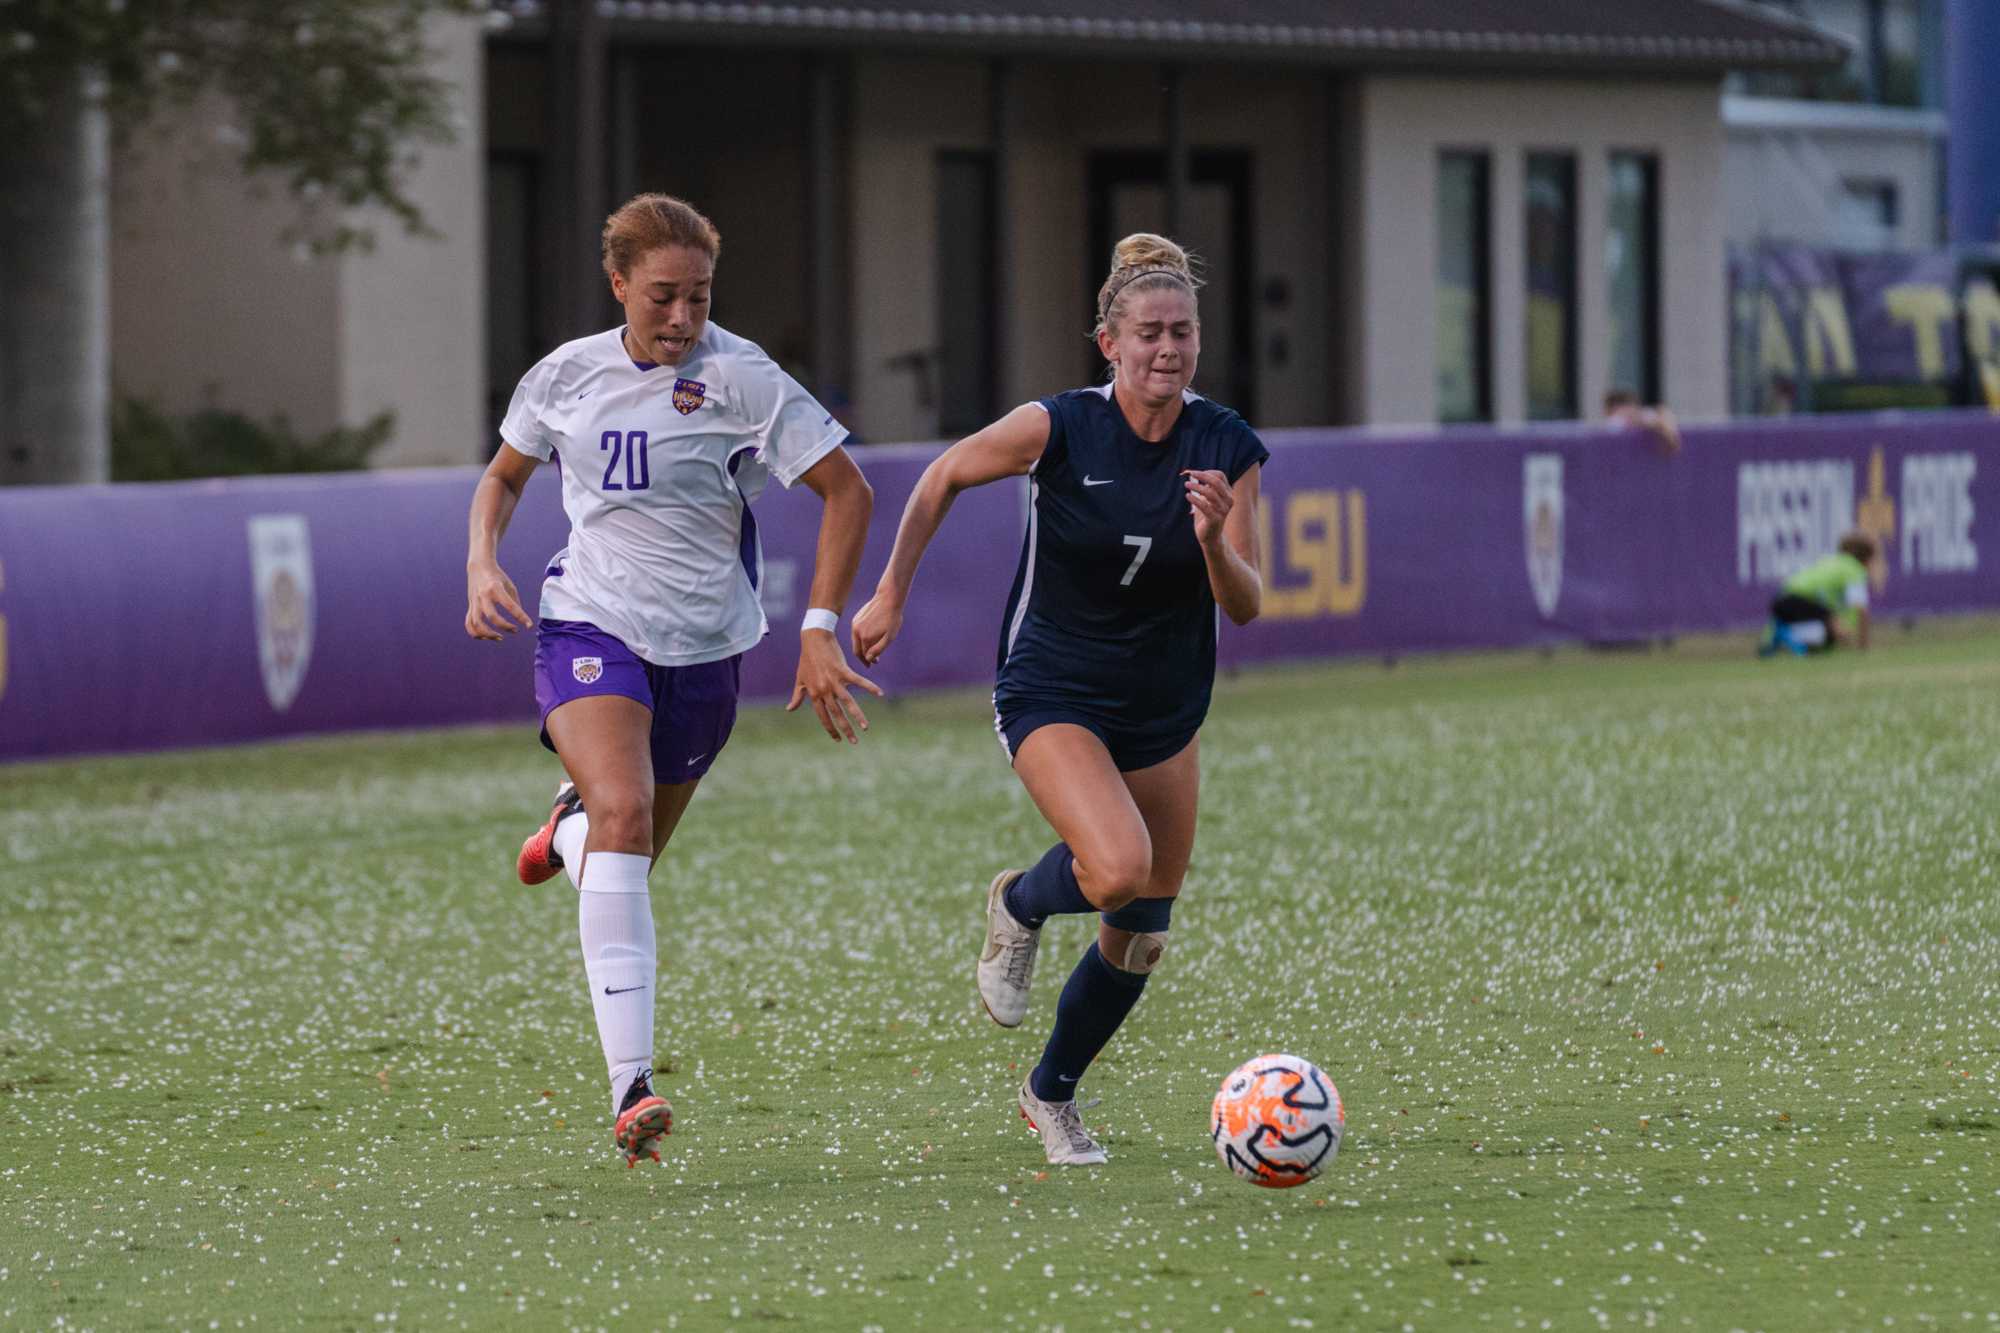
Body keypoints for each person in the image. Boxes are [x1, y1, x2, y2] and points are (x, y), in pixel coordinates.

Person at [463, 193, 881, 1167]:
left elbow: (846, 491)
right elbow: (501, 478)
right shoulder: (564, 375)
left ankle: (565, 830)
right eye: (662, 297)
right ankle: (630, 1088)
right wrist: (483, 561)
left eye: (698, 296)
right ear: (618, 285)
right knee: (625, 814)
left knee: (625, 857)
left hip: (706, 650)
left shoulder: (743, 379)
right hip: (589, 623)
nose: (682, 318)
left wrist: (817, 628)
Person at [851, 234, 1267, 1166]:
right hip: (1054, 685)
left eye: (1184, 333)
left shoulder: (1226, 444)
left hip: (1165, 706)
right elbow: (942, 475)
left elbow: (1246, 602)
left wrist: (1212, 540)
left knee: (1143, 930)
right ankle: (1022, 903)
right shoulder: (1060, 427)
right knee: (1116, 867)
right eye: (1149, 334)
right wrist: (889, 593)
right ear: (1108, 343)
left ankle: (1051, 1095)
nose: (1168, 350)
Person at [1760, 531, 1877, 656]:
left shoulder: (1830, 561)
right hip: (1798, 599)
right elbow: (1860, 609)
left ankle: (1784, 638)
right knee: (1837, 630)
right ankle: (1788, 636)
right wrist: (1863, 644)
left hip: (1783, 599)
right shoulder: (1853, 569)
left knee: (1830, 635)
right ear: (1866, 558)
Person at [1603, 388, 1681, 456]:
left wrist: (1669, 434)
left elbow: (1663, 415)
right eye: (1626, 406)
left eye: (1632, 405)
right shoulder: (1614, 422)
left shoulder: (1643, 415)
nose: (1631, 409)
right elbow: (1615, 427)